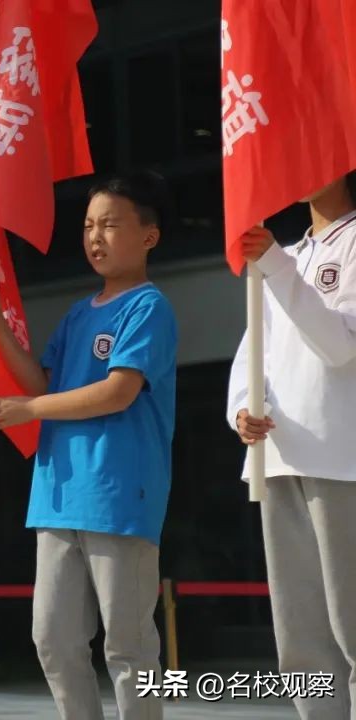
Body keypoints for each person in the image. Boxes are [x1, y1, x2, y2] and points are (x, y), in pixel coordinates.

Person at [0, 172, 177, 720]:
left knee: (127, 645)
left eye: (110, 224)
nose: (95, 236)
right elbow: (43, 385)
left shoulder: (148, 307)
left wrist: (28, 410)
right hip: (59, 493)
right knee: (53, 640)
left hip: (118, 493)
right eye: (89, 225)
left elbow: (118, 391)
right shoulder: (78, 313)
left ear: (148, 236)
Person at [228, 171, 356, 719]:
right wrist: (241, 409)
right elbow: (252, 349)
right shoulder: (291, 251)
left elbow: (339, 347)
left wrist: (274, 264)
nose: (300, 166)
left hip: (343, 457)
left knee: (351, 622)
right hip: (278, 457)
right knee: (301, 637)